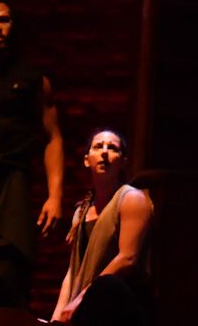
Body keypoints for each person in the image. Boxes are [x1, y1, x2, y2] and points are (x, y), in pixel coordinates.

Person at [0, 0, 64, 312]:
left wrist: (55, 196)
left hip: (10, 177)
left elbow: (52, 136)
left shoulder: (32, 78)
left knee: (7, 266)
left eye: (3, 20)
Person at [51, 128, 153, 324]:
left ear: (123, 161)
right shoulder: (81, 211)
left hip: (118, 308)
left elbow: (127, 258)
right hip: (87, 307)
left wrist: (82, 298)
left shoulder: (132, 198)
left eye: (112, 148)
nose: (104, 152)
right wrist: (56, 317)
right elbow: (74, 271)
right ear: (87, 160)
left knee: (108, 289)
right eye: (98, 147)